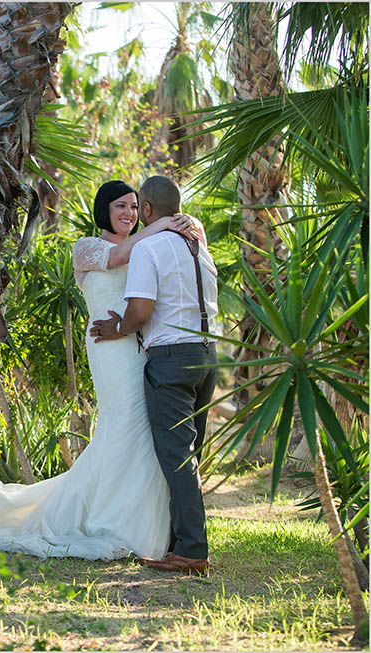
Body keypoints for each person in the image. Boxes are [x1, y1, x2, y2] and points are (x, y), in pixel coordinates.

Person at [0, 180, 200, 561]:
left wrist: (174, 225)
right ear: (104, 211)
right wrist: (165, 223)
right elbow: (116, 257)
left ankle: (144, 523)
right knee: (124, 423)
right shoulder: (88, 248)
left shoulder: (152, 245)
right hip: (109, 348)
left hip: (140, 345)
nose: (128, 213)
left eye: (133, 207)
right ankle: (108, 521)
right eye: (120, 207)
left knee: (143, 434)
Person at [90, 175, 219, 575]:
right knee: (189, 451)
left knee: (177, 456)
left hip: (171, 357)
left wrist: (118, 328)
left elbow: (141, 310)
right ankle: (180, 540)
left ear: (147, 210)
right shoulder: (199, 246)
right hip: (209, 354)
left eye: (137, 207)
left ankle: (192, 549)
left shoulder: (149, 247)